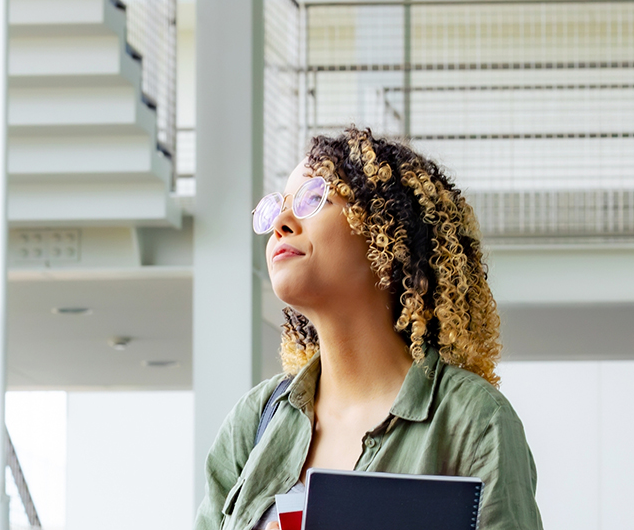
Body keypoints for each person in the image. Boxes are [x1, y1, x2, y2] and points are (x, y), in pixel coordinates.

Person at [193, 128, 543, 530]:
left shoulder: (473, 420)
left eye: (312, 199)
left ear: (385, 231)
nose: (282, 224)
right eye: (278, 208)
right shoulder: (256, 419)